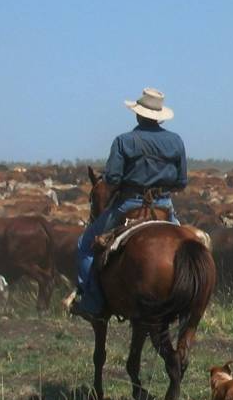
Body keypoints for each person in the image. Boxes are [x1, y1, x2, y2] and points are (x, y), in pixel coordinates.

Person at [69, 88, 188, 320]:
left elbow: (112, 179)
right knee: (191, 245)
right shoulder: (176, 141)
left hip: (129, 205)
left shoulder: (124, 141)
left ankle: (92, 302)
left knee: (84, 245)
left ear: (137, 114)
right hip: (164, 207)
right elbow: (181, 181)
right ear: (160, 115)